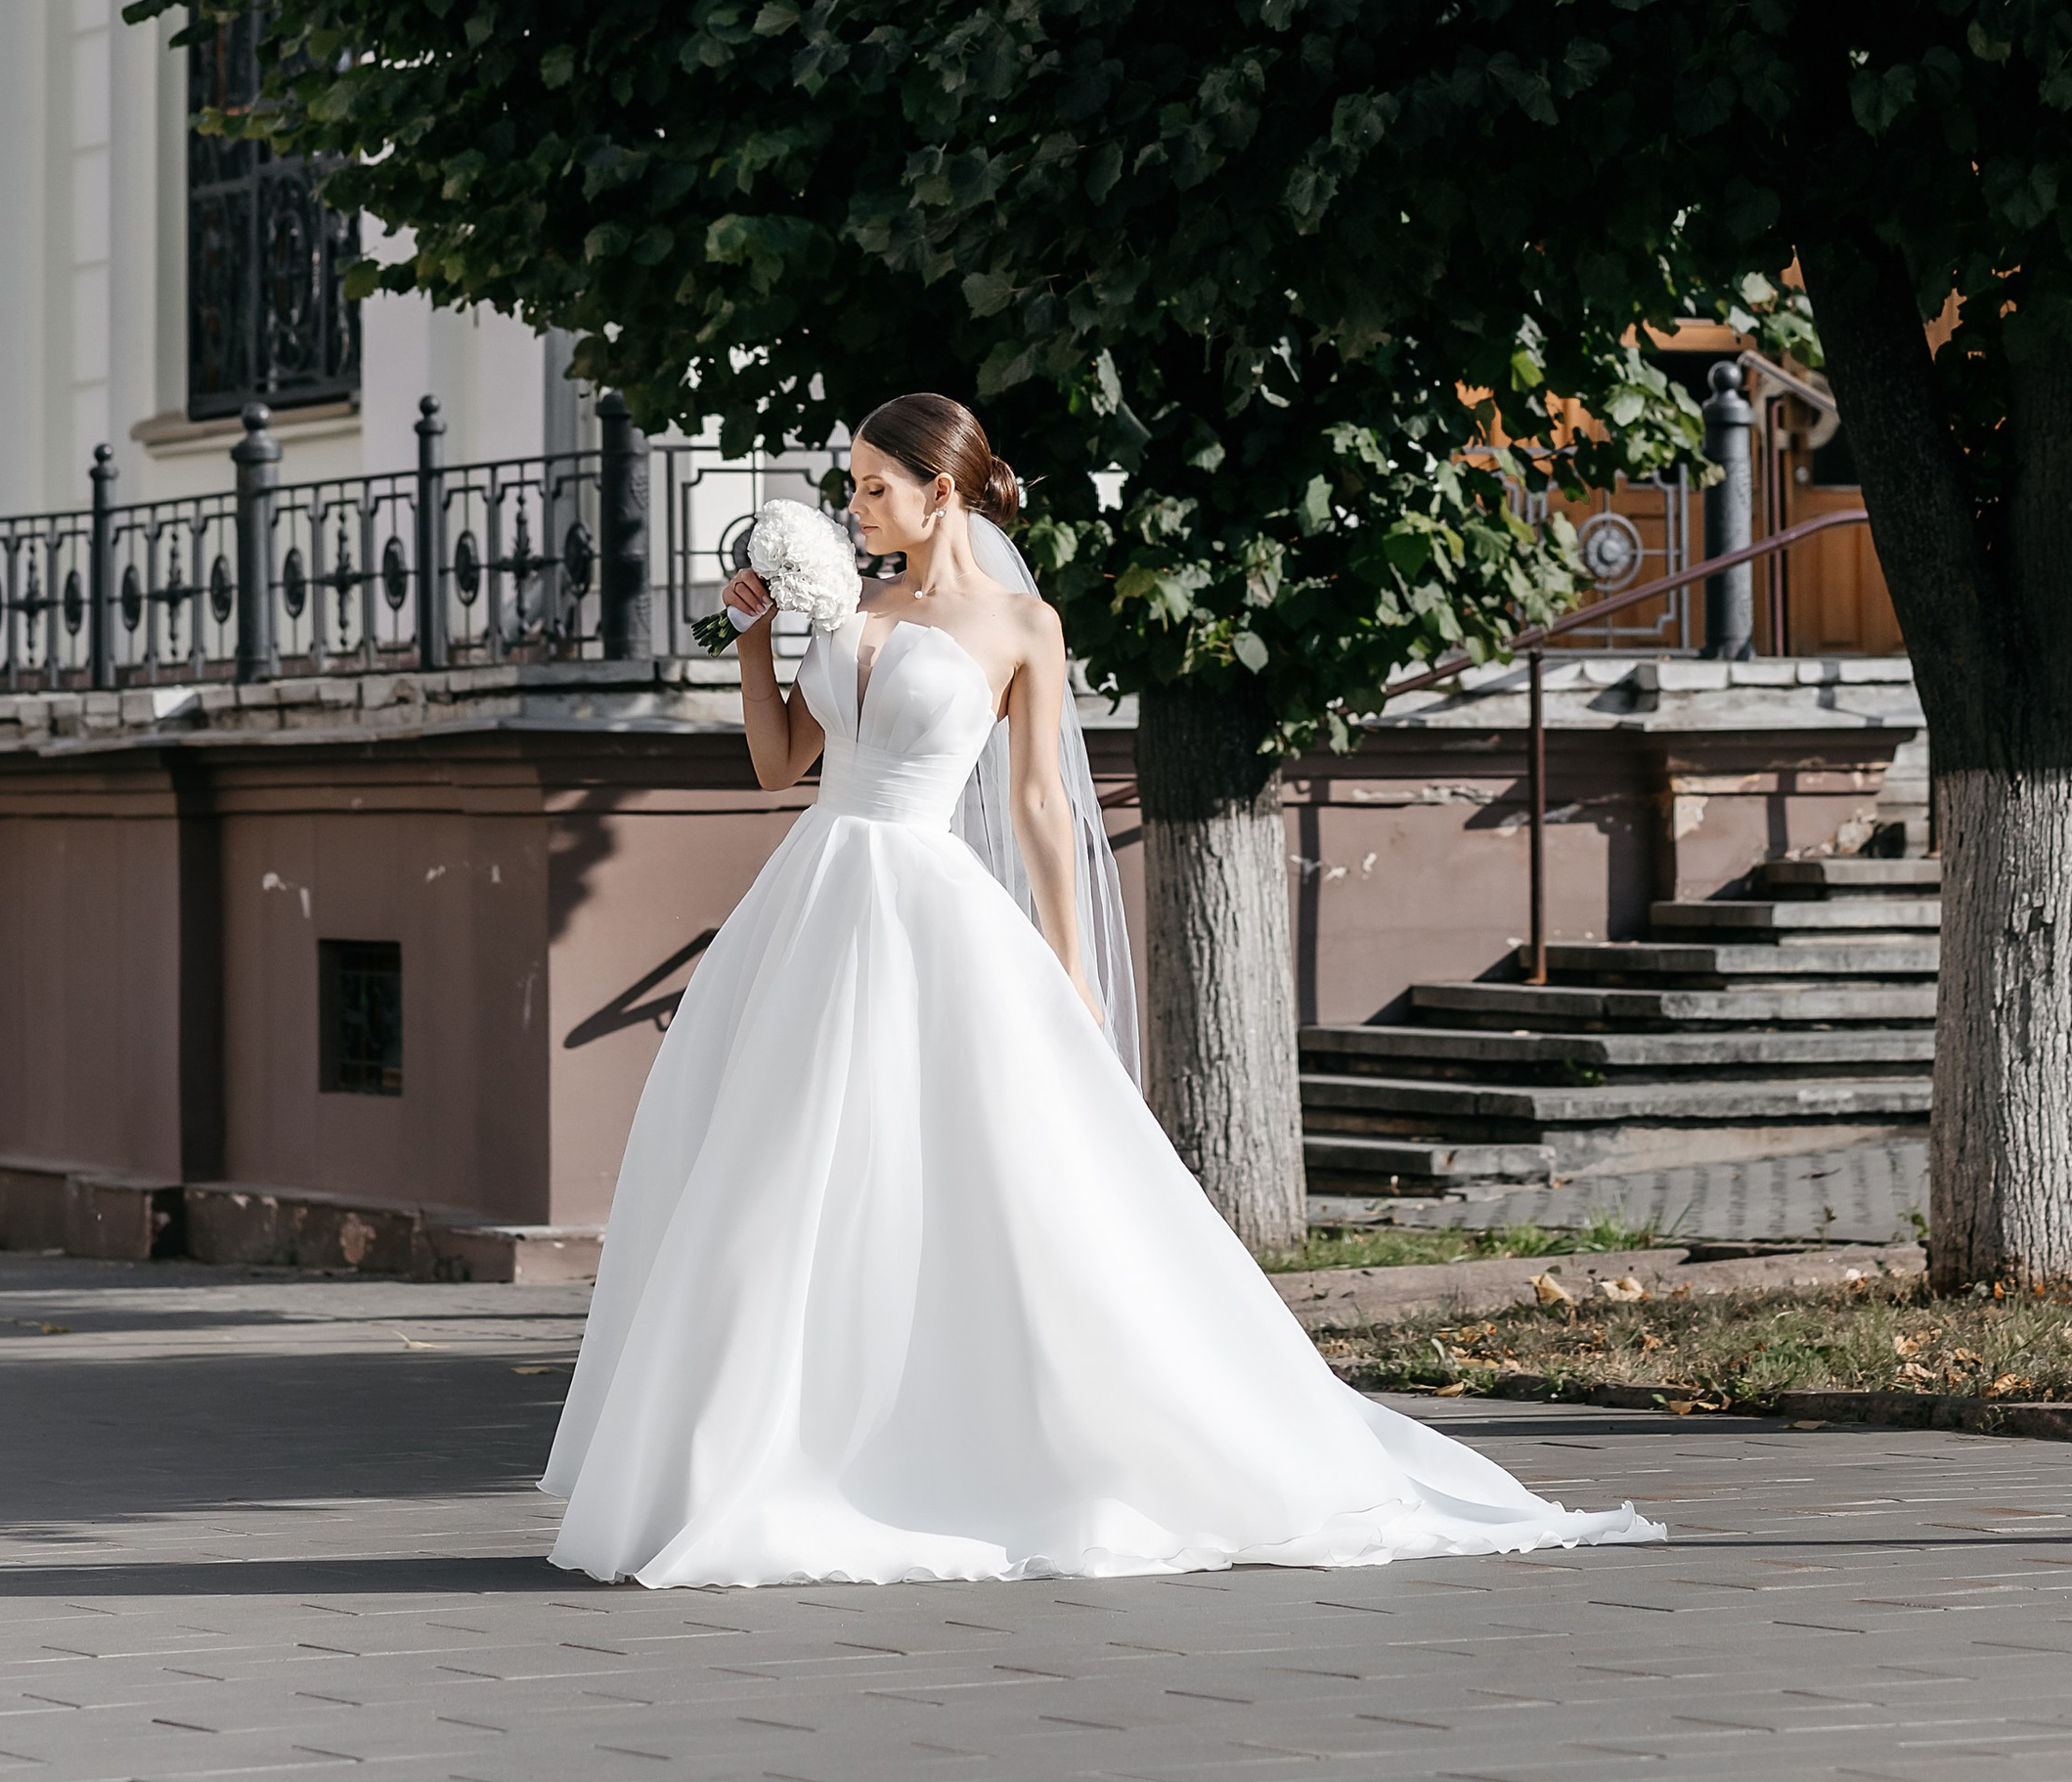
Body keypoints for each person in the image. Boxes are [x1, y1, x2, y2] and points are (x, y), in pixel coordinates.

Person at [542, 388, 1659, 1587]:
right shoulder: (848, 606)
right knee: (774, 1170)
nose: (853, 507)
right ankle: (752, 1459)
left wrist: (1067, 964)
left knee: (973, 1170)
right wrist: (753, 637)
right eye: (850, 486)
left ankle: (986, 1443)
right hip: (810, 902)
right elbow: (778, 767)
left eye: (874, 486)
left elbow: (1036, 803)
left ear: (941, 490)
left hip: (926, 903)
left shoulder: (1021, 625)